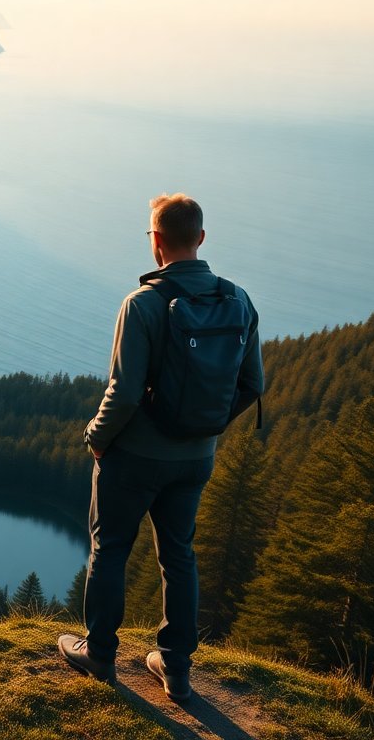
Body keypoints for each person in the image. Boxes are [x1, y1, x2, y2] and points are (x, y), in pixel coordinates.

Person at [57, 193, 264, 701]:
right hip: (195, 460)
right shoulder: (238, 300)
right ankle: (175, 667)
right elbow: (252, 384)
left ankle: (99, 654)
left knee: (110, 549)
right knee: (179, 555)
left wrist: (96, 437)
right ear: (201, 238)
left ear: (155, 240)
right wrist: (205, 426)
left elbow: (125, 391)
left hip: (133, 458)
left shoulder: (142, 304)